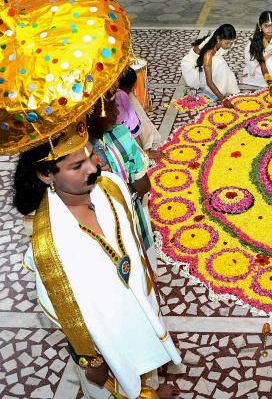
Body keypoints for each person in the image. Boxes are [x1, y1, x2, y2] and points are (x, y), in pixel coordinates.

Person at [14, 123, 181, 399]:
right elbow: (62, 307)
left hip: (137, 310)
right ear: (46, 175)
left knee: (145, 365)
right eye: (77, 165)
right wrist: (90, 359)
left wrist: (148, 288)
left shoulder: (112, 186)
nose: (93, 169)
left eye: (91, 156)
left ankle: (149, 388)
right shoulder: (48, 243)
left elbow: (133, 245)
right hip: (102, 343)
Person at [86, 92, 158, 271]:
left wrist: (116, 181)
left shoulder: (122, 136)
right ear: (90, 113)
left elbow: (144, 186)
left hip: (129, 218)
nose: (117, 112)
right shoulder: (76, 154)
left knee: (139, 267)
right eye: (111, 108)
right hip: (97, 232)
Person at [180, 24, 239, 108]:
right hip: (193, 72)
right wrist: (223, 99)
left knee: (220, 64)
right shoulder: (208, 54)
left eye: (231, 42)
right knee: (220, 62)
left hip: (204, 64)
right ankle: (207, 89)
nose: (229, 46)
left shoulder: (218, 40)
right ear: (218, 39)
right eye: (227, 43)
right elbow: (209, 81)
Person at [116, 68, 163, 160]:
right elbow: (134, 130)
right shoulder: (124, 98)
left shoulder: (116, 92)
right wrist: (145, 153)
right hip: (122, 140)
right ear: (133, 86)